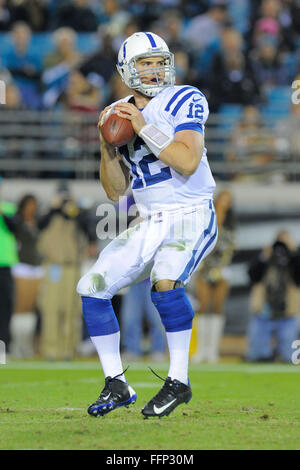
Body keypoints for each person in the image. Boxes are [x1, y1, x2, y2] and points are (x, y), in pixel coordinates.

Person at [77, 31, 217, 418]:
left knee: (167, 279)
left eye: (159, 62)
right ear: (126, 70)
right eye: (145, 63)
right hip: (150, 218)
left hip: (190, 211)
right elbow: (115, 190)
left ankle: (179, 380)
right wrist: (107, 149)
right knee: (91, 286)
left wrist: (141, 127)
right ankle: (116, 383)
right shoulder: (117, 111)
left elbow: (187, 161)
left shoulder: (185, 98)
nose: (155, 70)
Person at [193, 189, 235, 363]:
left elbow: (231, 245)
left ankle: (212, 350)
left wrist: (223, 267)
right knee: (203, 306)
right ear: (217, 200)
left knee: (217, 307)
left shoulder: (231, 223)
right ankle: (201, 350)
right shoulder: (206, 217)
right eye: (223, 199)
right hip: (204, 268)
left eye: (229, 200)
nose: (225, 202)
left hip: (221, 269)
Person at [246, 230, 300, 363]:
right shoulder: (265, 258)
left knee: (291, 358)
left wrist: (293, 254)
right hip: (264, 313)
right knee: (256, 357)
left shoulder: (294, 259)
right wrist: (264, 256)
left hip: (288, 315)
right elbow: (252, 276)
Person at [9, 194, 43, 358]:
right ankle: (16, 345)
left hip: (37, 269)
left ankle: (29, 345)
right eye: (29, 205)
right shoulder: (17, 222)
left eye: (34, 205)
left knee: (34, 308)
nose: (32, 208)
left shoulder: (38, 222)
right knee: (20, 308)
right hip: (22, 267)